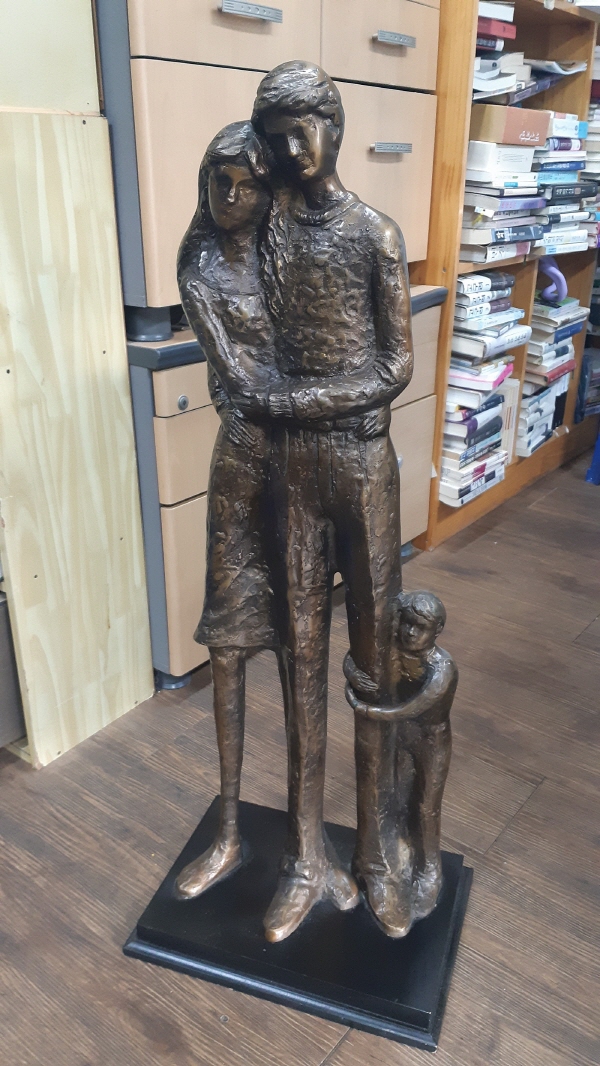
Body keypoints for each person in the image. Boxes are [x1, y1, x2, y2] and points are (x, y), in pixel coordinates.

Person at [239, 62, 414, 940]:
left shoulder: (375, 235)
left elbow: (396, 365)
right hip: (292, 472)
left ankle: (376, 855)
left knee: (374, 665)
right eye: (276, 136)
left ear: (335, 129)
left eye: (305, 128)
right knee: (299, 656)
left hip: (360, 468)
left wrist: (305, 399)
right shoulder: (262, 228)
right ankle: (306, 855)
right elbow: (208, 247)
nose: (292, 148)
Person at [175, 122, 358, 925]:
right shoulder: (200, 271)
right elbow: (244, 383)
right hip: (243, 470)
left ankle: (307, 849)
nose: (230, 196)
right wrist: (304, 395)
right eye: (218, 180)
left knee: (303, 649)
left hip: (304, 470)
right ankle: (227, 832)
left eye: (246, 183)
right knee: (228, 645)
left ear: (269, 190)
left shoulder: (297, 256)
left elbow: (329, 353)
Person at [344, 591, 458, 929]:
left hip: (431, 743)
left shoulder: (442, 668)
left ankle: (429, 872)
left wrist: (364, 708)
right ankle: (401, 858)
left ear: (436, 631)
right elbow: (354, 658)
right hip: (401, 739)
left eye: (420, 628)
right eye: (407, 624)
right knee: (397, 799)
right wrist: (353, 674)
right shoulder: (394, 650)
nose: (410, 632)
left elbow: (411, 708)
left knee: (425, 808)